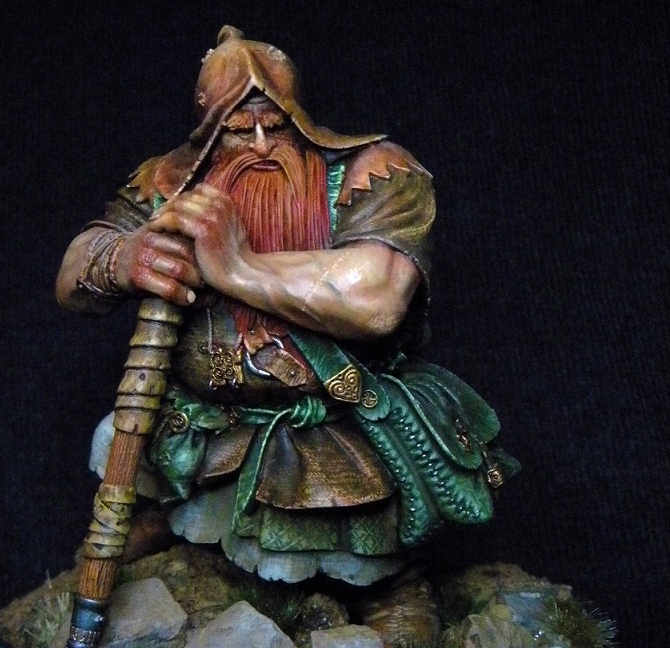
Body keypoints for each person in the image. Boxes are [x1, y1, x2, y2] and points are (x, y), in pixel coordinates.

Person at [55, 26, 517, 594]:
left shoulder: (373, 172)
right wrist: (125, 258)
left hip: (333, 418)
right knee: (158, 467)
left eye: (274, 126)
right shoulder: (170, 184)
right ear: (207, 131)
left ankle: (385, 593)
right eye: (235, 129)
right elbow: (73, 272)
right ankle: (179, 526)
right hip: (204, 417)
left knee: (366, 550)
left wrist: (236, 266)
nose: (258, 144)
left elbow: (378, 296)